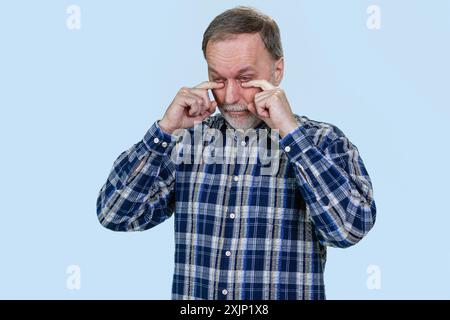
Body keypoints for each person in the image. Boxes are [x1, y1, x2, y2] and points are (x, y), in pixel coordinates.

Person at [96, 6, 376, 300]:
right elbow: (115, 214)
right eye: (218, 79)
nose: (229, 97)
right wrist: (164, 131)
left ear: (277, 71)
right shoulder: (184, 142)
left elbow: (349, 230)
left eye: (244, 79)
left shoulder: (323, 141)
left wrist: (291, 134)